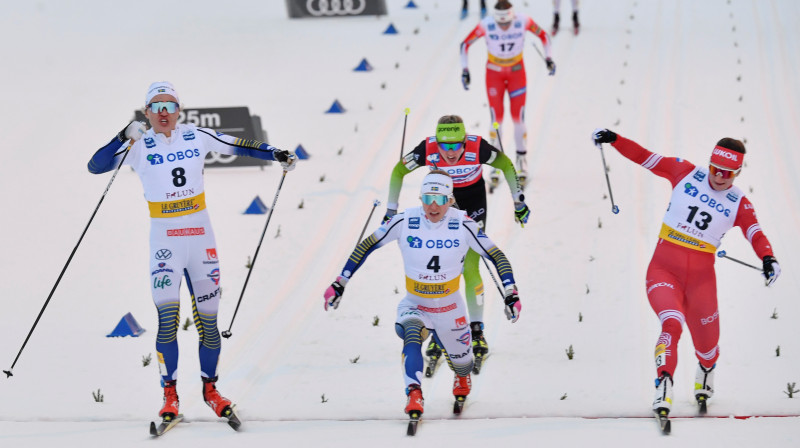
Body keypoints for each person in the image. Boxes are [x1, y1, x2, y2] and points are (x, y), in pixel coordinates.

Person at [87, 81, 297, 423]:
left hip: (201, 240)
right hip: (166, 243)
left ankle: (211, 390)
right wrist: (122, 136)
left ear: (179, 110)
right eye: (157, 107)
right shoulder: (138, 144)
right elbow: (95, 167)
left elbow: (239, 145)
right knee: (167, 322)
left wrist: (277, 153)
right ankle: (169, 395)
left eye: (170, 106)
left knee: (209, 324)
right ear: (146, 113)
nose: (164, 113)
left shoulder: (195, 135)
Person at [592, 129, 781, 417]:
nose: (719, 177)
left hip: (701, 281)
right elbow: (644, 157)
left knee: (708, 346)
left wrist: (768, 257)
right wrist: (615, 139)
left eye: (728, 173)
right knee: (672, 324)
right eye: (716, 169)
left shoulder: (739, 203)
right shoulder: (684, 172)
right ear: (710, 162)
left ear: (738, 173)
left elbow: (754, 232)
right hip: (663, 270)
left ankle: (706, 369)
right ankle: (664, 385)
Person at [324, 170, 522, 419]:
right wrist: (340, 282)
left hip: (450, 308)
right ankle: (414, 394)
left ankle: (461, 376)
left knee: (464, 364)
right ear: (420, 198)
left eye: (440, 199)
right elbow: (367, 245)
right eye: (427, 198)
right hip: (415, 303)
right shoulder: (405, 220)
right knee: (411, 334)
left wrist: (510, 291)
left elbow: (496, 255)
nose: (433, 205)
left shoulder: (464, 223)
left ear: (450, 200)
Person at [384, 115, 529, 372]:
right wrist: (390, 210)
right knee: (440, 271)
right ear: (436, 143)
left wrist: (519, 202)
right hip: (440, 205)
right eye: (444, 146)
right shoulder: (426, 149)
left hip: (473, 201)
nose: (450, 153)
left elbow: (506, 165)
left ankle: (476, 331)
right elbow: (398, 171)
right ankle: (441, 328)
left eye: (456, 146)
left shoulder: (478, 147)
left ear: (464, 141)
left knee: (470, 267)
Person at [460, 0, 555, 190]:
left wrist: (549, 58)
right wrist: (465, 70)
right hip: (494, 72)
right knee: (497, 119)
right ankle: (496, 162)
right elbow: (464, 45)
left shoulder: (523, 20)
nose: (503, 27)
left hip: (516, 72)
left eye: (507, 23)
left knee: (518, 118)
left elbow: (544, 36)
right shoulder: (486, 24)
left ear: (513, 17)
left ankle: (521, 161)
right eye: (500, 24)